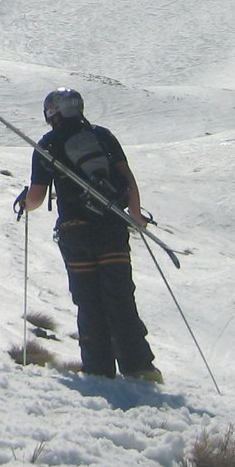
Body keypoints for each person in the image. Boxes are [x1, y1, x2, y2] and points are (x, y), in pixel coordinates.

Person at [17, 88, 161, 382]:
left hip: (76, 233)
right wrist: (134, 215)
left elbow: (36, 198)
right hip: (112, 228)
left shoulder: (48, 145)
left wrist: (24, 203)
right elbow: (127, 178)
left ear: (51, 113)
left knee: (89, 301)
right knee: (120, 298)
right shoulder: (103, 136)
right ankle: (140, 368)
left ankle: (98, 370)